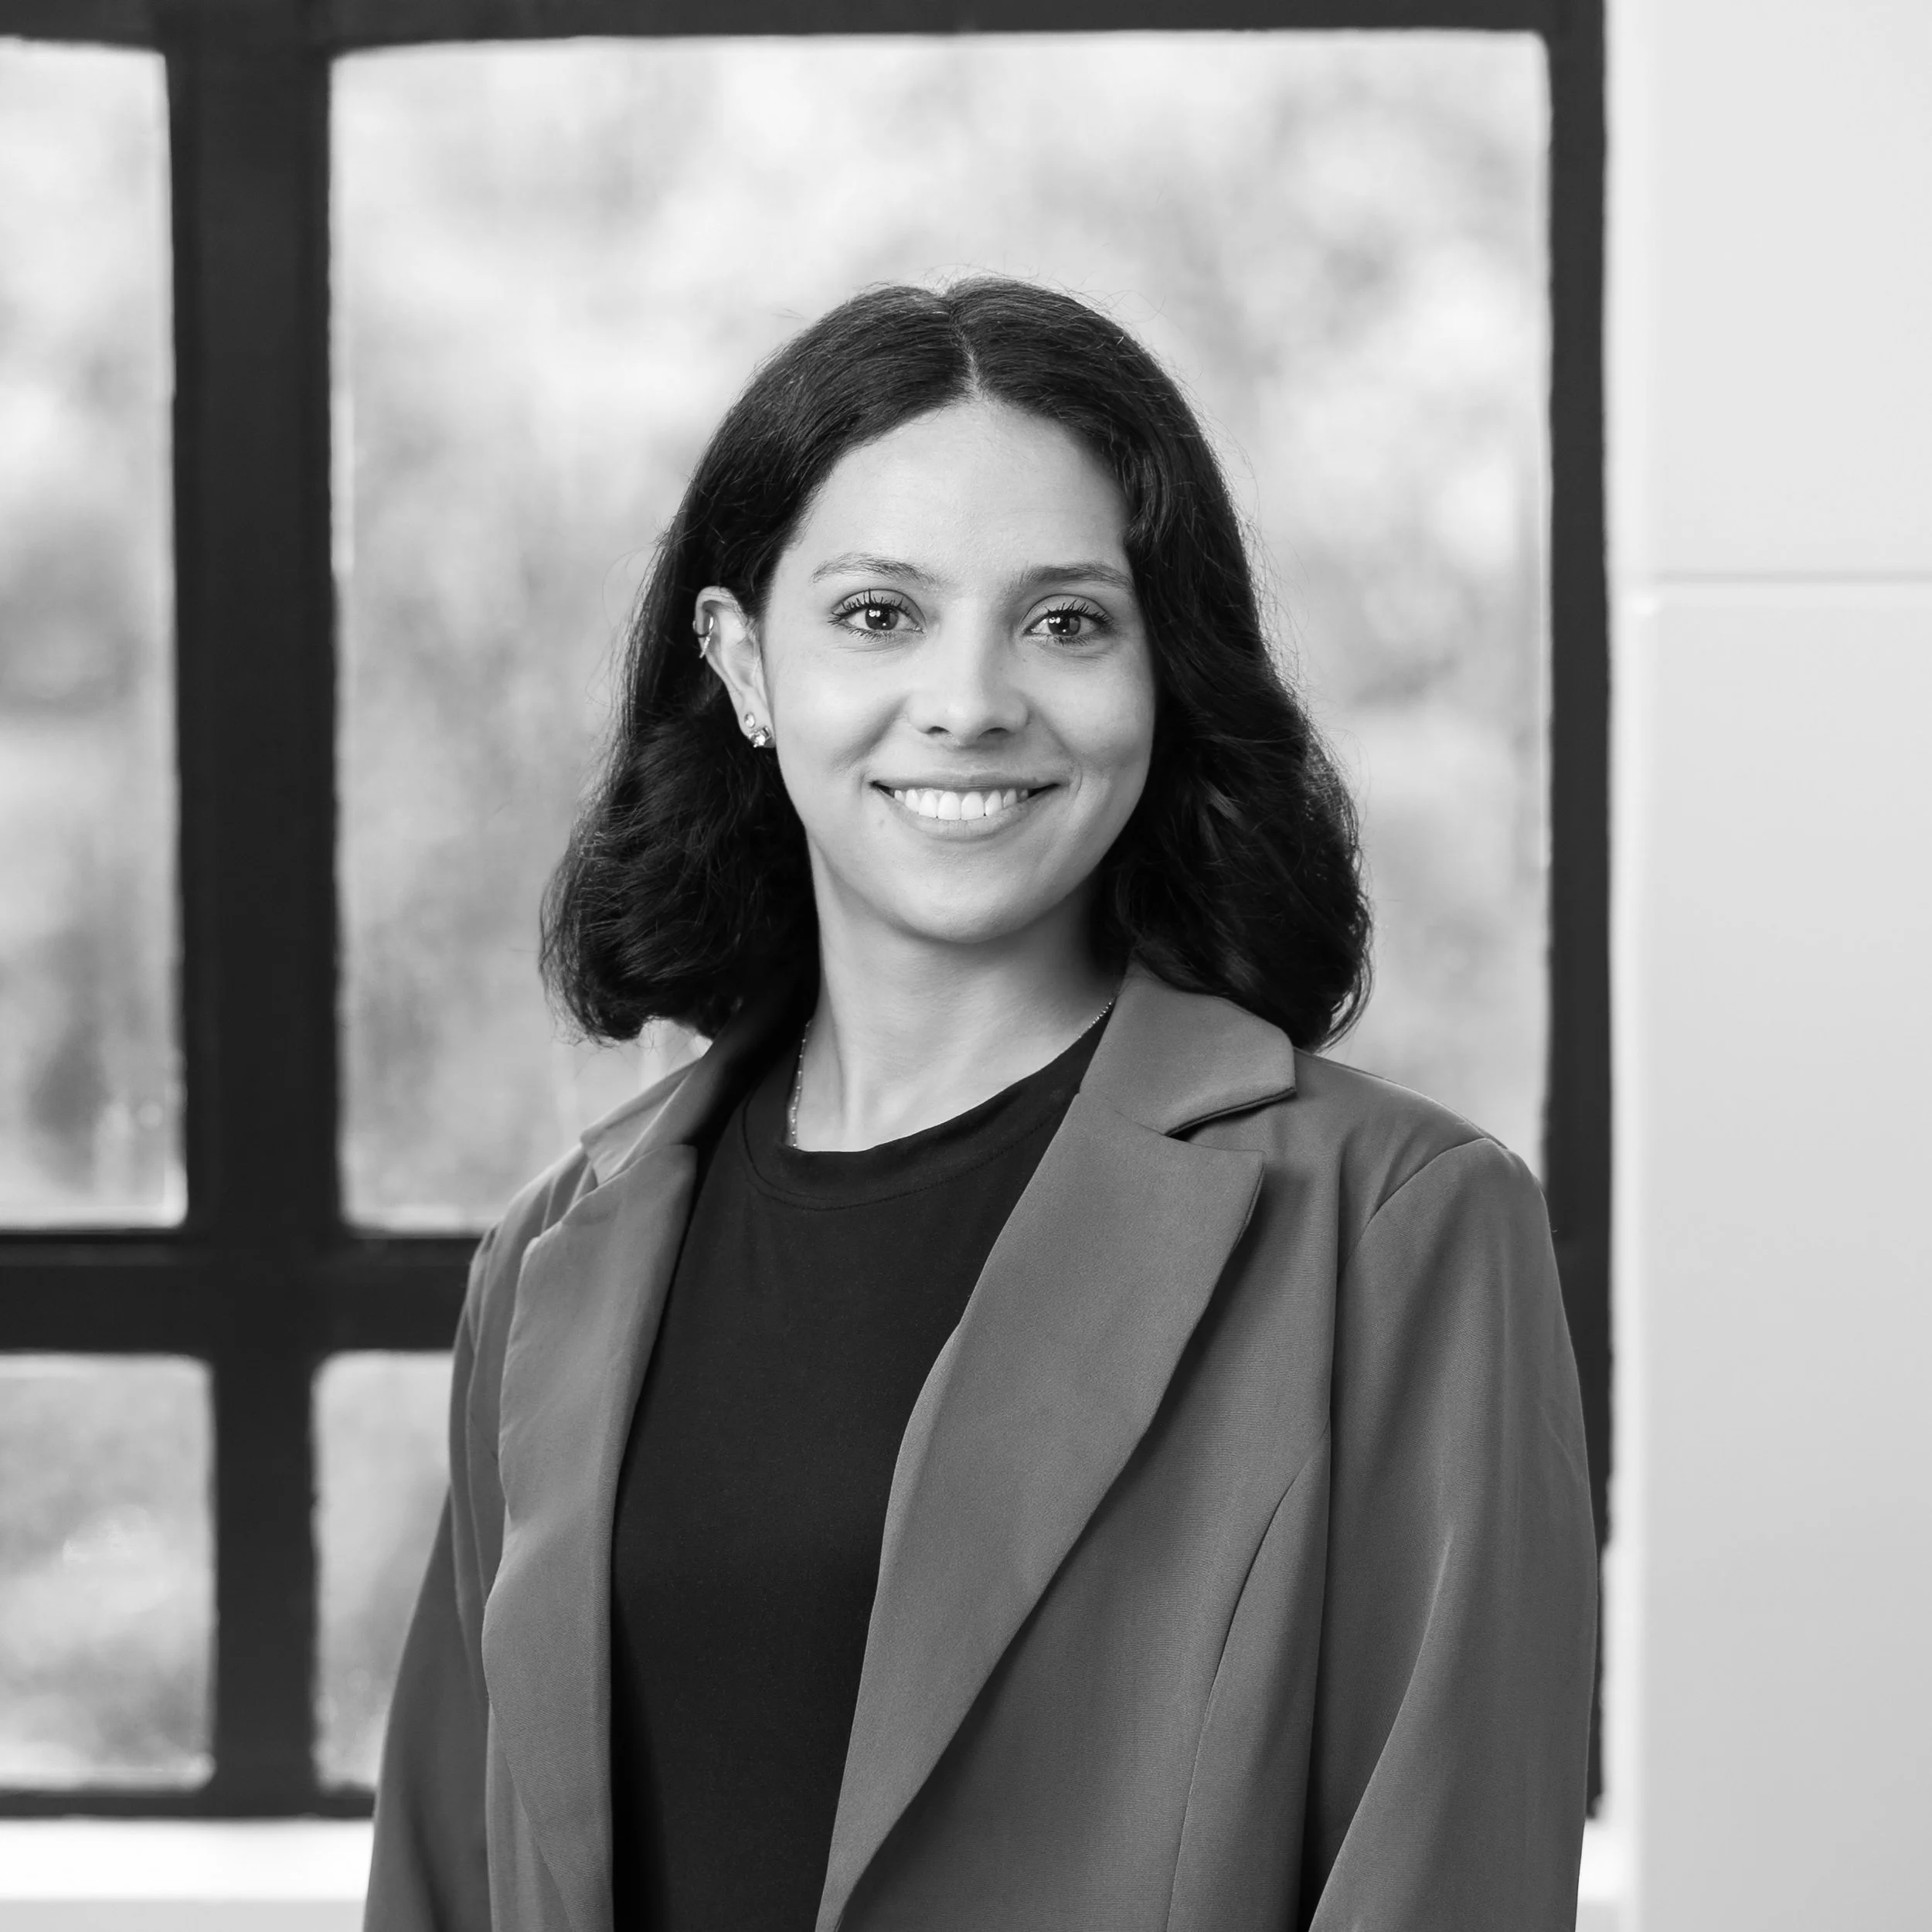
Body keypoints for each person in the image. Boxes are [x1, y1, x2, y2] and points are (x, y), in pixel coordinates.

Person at [364, 278, 1597, 1932]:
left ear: (1163, 673)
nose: (969, 701)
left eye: (1066, 621)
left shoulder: (1396, 1228)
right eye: (877, 613)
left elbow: (1446, 1878)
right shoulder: (547, 1264)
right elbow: (447, 1880)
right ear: (741, 661)